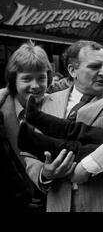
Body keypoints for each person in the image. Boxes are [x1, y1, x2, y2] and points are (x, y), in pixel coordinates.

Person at [22, 40, 103, 212]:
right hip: (60, 203)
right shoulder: (46, 102)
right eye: (95, 66)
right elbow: (30, 153)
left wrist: (86, 166)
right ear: (72, 70)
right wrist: (45, 174)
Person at [0, 41, 53, 212]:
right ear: (13, 79)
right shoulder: (2, 109)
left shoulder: (59, 106)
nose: (35, 85)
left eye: (41, 78)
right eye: (27, 78)